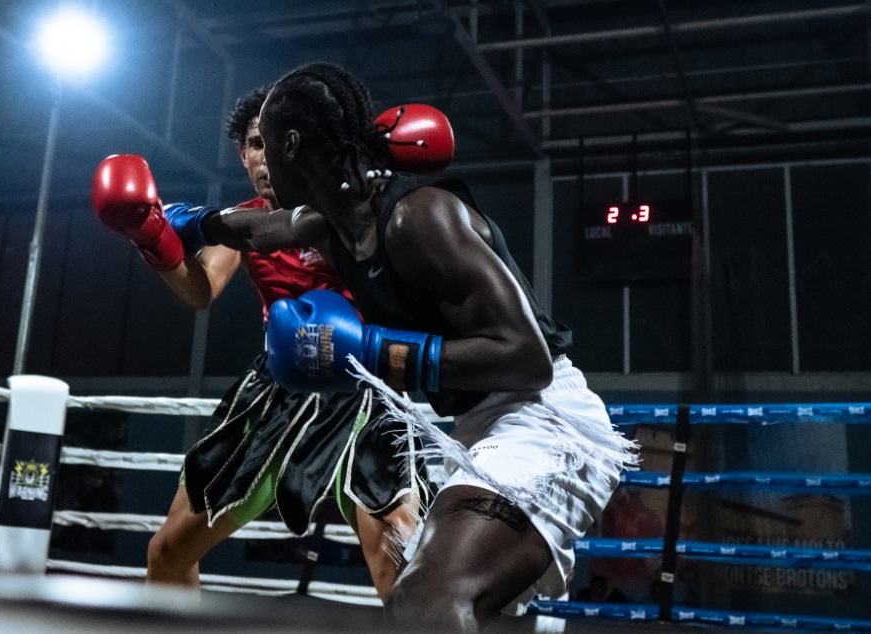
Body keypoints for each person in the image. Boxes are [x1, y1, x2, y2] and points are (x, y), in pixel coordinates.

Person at [187, 62, 639, 630]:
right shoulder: (333, 222)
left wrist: (372, 351)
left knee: (426, 602)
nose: (262, 167)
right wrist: (175, 222)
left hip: (542, 419)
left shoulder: (418, 217)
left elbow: (529, 359)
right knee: (437, 611)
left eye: (267, 146)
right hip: (480, 425)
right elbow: (256, 230)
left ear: (292, 144)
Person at [89, 86, 425, 602]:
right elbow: (201, 290)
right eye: (253, 144)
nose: (264, 157)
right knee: (168, 551)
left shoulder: (351, 208)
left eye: (275, 141)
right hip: (278, 385)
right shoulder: (240, 222)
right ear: (242, 154)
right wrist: (151, 236)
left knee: (398, 559)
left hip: (364, 377)